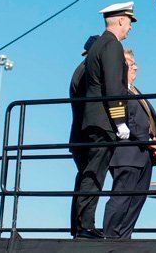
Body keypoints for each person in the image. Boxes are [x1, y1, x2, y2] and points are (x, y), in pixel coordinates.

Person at [74, 2, 136, 239]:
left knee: (93, 173)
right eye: (129, 22)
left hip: (95, 119)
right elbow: (113, 86)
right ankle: (85, 225)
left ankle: (83, 224)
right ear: (120, 20)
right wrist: (120, 121)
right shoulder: (111, 45)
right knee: (95, 174)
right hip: (103, 122)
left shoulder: (99, 44)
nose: (130, 28)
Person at [103, 49, 156, 239]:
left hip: (144, 155)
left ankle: (124, 239)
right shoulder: (119, 91)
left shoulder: (136, 91)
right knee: (122, 197)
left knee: (137, 199)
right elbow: (128, 121)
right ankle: (110, 238)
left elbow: (149, 121)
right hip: (127, 154)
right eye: (131, 64)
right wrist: (149, 142)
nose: (136, 67)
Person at [68, 34, 99, 238]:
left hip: (79, 134)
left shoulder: (80, 70)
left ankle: (79, 226)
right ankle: (83, 226)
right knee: (89, 178)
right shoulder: (87, 71)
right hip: (86, 134)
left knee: (84, 179)